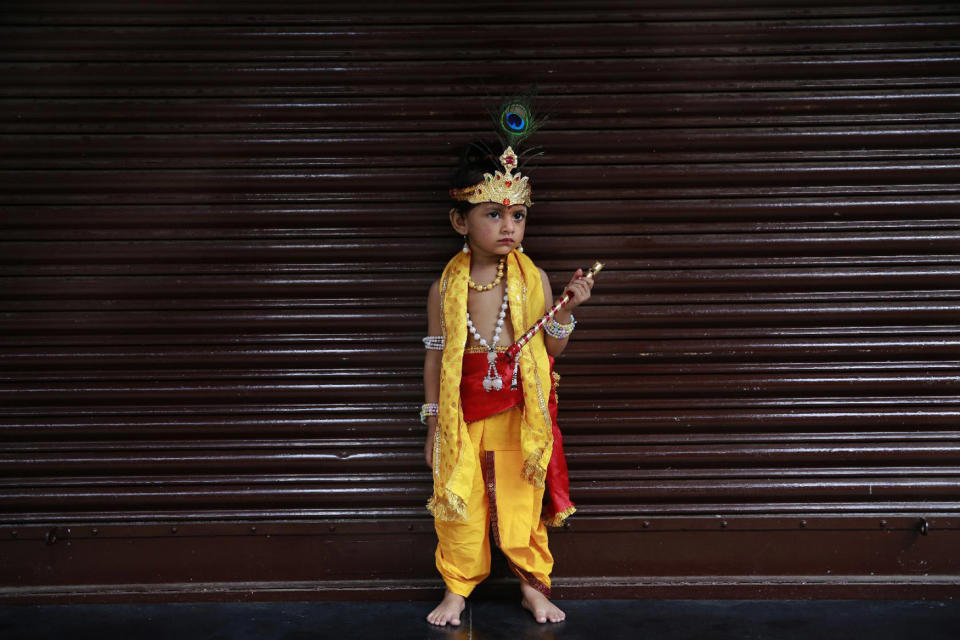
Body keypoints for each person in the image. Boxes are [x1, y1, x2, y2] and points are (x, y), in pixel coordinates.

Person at [420, 118, 594, 626]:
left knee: (523, 498)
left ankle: (531, 586)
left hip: (520, 408)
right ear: (461, 223)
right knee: (461, 500)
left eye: (517, 215)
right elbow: (435, 356)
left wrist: (564, 310)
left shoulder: (534, 277)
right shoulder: (444, 290)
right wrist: (432, 424)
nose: (509, 226)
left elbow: (553, 349)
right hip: (462, 410)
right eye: (493, 214)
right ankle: (457, 588)